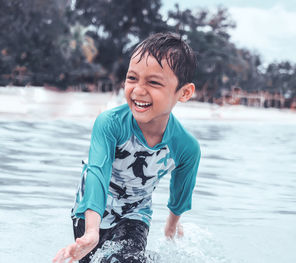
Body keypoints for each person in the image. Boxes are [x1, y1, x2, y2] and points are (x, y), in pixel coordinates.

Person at [53, 32, 201, 263]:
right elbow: (97, 173)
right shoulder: (110, 123)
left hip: (136, 213)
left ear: (184, 93)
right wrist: (92, 230)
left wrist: (171, 229)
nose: (139, 90)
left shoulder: (186, 147)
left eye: (153, 82)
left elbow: (181, 192)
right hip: (91, 209)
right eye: (132, 78)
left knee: (129, 260)